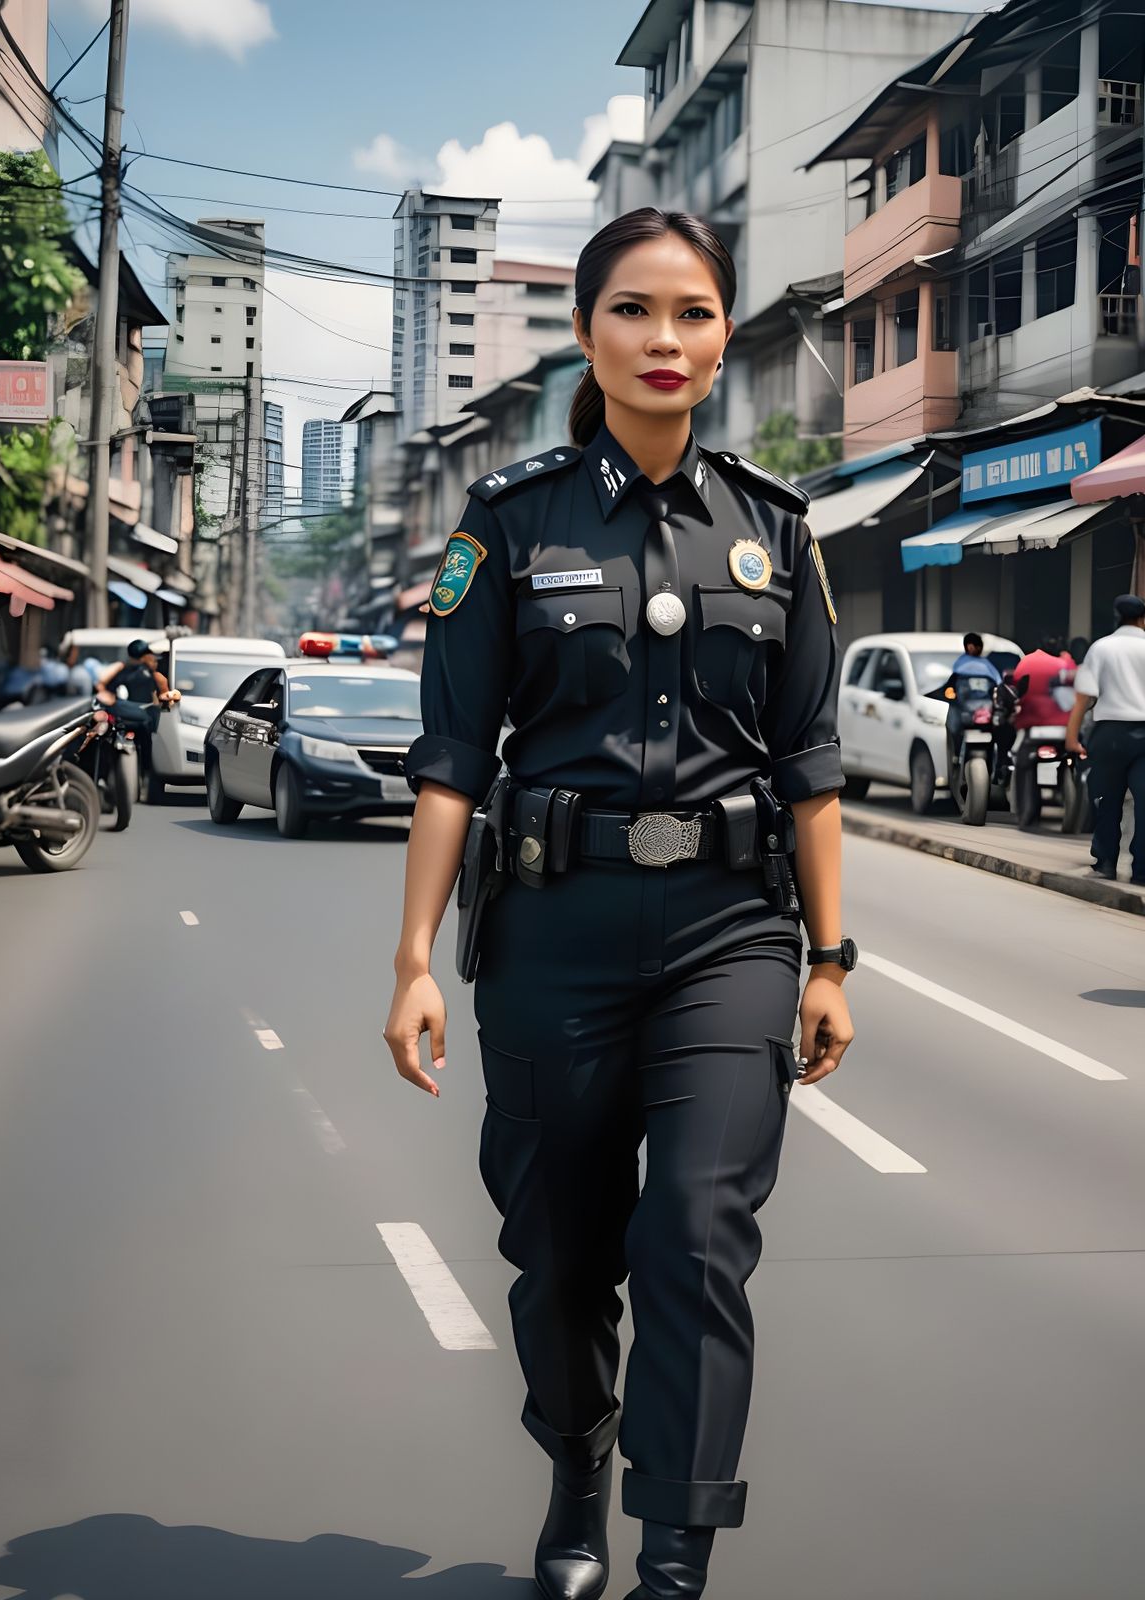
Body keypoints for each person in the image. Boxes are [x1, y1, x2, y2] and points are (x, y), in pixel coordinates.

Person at [383, 208, 852, 1600]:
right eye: (636, 312)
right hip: (554, 931)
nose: (668, 340)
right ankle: (577, 1458)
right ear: (588, 334)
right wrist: (412, 958)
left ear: (722, 340)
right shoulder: (512, 519)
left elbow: (813, 762)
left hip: (730, 933)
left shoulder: (776, 524)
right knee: (561, 1252)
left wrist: (831, 957)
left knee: (697, 1230)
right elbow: (455, 757)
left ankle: (673, 1557)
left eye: (696, 313)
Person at [1067, 595, 1145, 884]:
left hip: (1109, 733)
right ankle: (1141, 868)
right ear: (1143, 618)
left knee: (1108, 800)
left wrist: (1072, 736)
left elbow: (1084, 696)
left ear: (1117, 616)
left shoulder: (1101, 648)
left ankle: (1106, 862)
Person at [96, 639, 178, 775]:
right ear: (145, 657)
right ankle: (146, 772)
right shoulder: (148, 673)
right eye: (151, 657)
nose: (154, 661)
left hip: (125, 717)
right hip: (138, 718)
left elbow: (101, 683)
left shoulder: (126, 670)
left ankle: (105, 775)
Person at [1009, 633, 1076, 731]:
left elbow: (1015, 689)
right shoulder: (1066, 663)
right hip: (1063, 724)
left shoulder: (1026, 661)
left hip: (1027, 722)